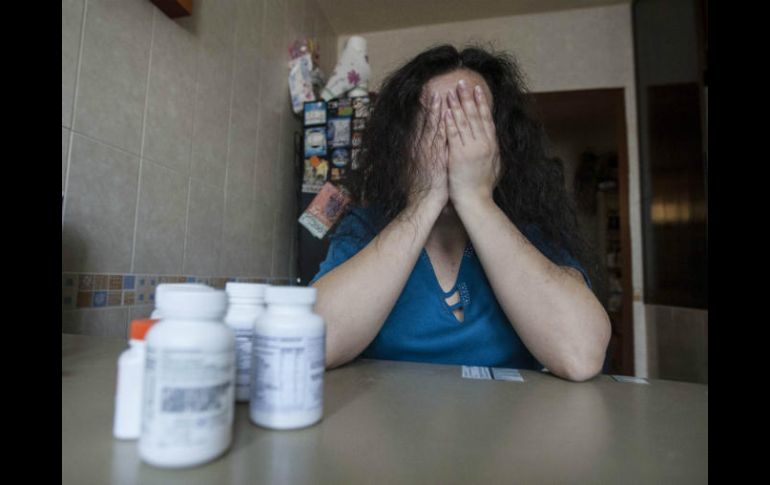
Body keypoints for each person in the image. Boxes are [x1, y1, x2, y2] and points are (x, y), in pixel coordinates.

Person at [310, 44, 611, 382]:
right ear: (400, 146)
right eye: (433, 126)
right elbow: (313, 344)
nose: (453, 142)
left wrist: (476, 198)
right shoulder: (365, 228)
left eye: (471, 123)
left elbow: (581, 355)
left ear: (501, 147)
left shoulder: (529, 233)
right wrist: (425, 200)